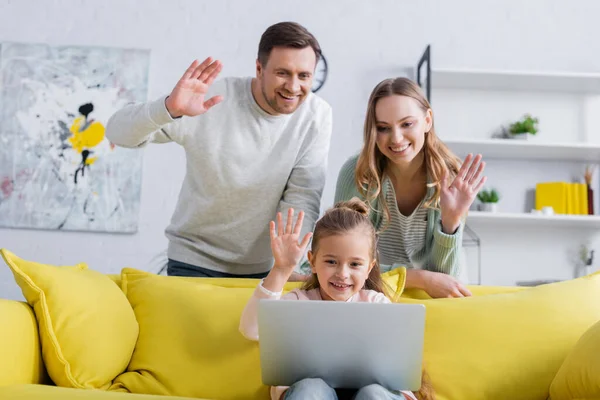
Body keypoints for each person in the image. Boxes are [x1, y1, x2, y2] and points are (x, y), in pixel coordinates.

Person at [105, 22, 332, 279]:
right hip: (192, 262)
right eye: (283, 73)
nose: (293, 87)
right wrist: (169, 108)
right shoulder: (211, 99)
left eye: (304, 76)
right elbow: (116, 132)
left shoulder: (317, 115)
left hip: (265, 268)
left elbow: (303, 196)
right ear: (259, 68)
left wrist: (288, 264)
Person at [239, 199, 434, 400]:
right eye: (331, 261)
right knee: (311, 390)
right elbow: (251, 329)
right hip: (310, 394)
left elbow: (396, 370)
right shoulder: (297, 302)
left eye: (355, 264)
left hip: (371, 393)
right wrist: (281, 270)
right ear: (312, 261)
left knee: (373, 393)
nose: (342, 273)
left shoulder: (377, 304)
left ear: (369, 268)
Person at [335, 77, 486, 298]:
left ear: (427, 120)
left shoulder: (450, 177)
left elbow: (442, 278)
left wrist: (450, 223)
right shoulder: (358, 174)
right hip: (378, 292)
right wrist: (417, 277)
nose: (396, 139)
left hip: (438, 295)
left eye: (407, 124)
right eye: (384, 128)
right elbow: (343, 261)